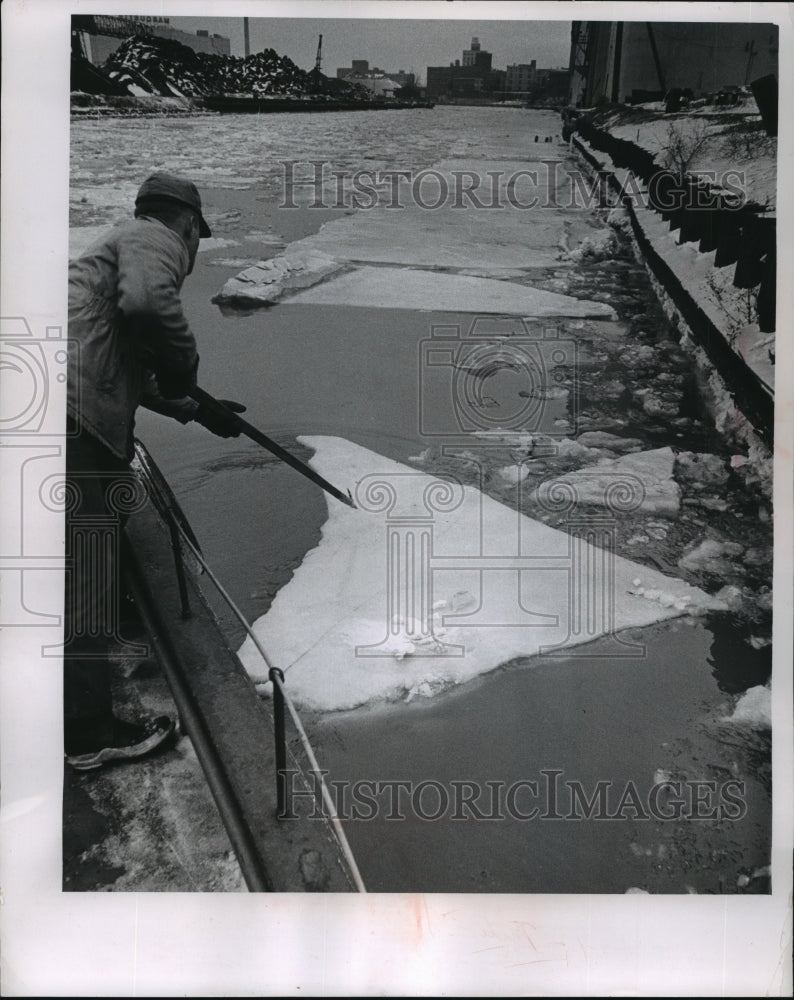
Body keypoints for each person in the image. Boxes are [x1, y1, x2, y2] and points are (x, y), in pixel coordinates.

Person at [65, 172, 244, 770]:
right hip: (74, 423)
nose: (191, 250)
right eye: (196, 236)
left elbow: (130, 371)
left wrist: (198, 408)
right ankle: (87, 733)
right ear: (189, 225)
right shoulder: (153, 234)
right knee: (84, 572)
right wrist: (185, 369)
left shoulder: (104, 256)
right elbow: (148, 303)